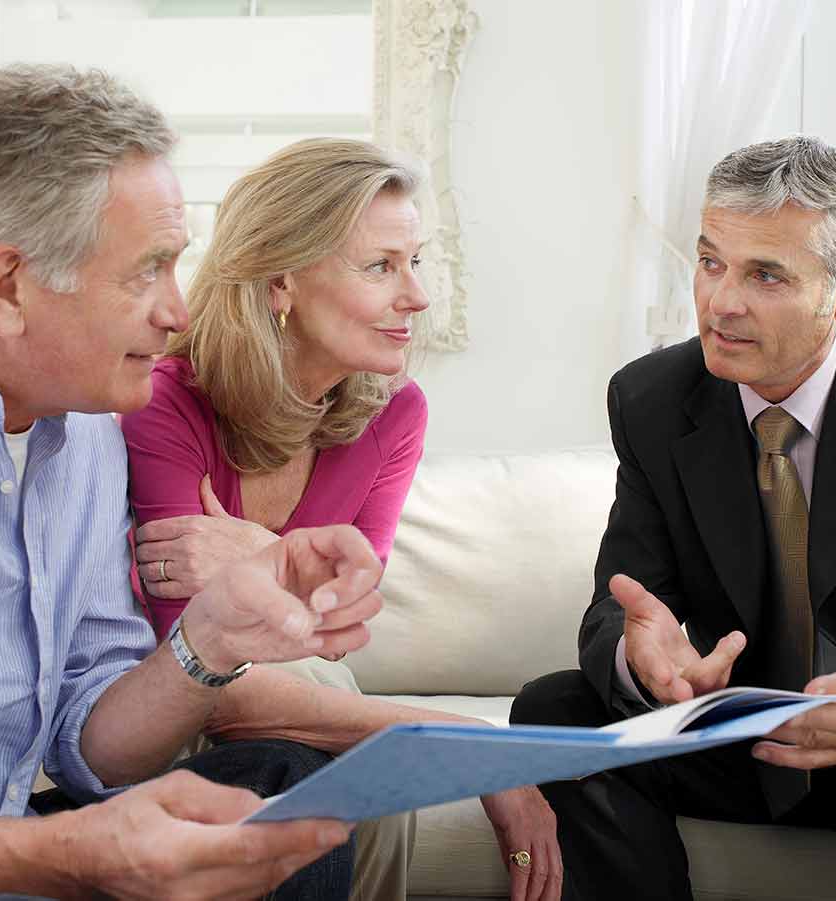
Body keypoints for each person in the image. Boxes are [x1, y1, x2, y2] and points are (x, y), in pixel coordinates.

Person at [0, 64, 388, 900]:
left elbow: (89, 741)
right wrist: (69, 851)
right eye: (147, 270)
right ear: (7, 285)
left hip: (15, 856)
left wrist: (210, 636)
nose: (178, 312)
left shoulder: (91, 426)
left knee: (281, 790)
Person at [511, 136, 836, 900]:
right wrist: (647, 661)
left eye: (765, 274)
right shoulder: (652, 399)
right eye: (710, 262)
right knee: (554, 706)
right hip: (736, 740)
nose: (721, 301)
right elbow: (618, 606)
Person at [119, 137, 563, 901]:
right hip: (172, 708)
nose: (417, 296)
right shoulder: (165, 403)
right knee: (348, 753)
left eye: (416, 261)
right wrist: (460, 737)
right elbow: (208, 684)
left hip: (304, 696)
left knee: (338, 727)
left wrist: (255, 554)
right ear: (282, 280)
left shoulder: (396, 414)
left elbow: (339, 615)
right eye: (381, 266)